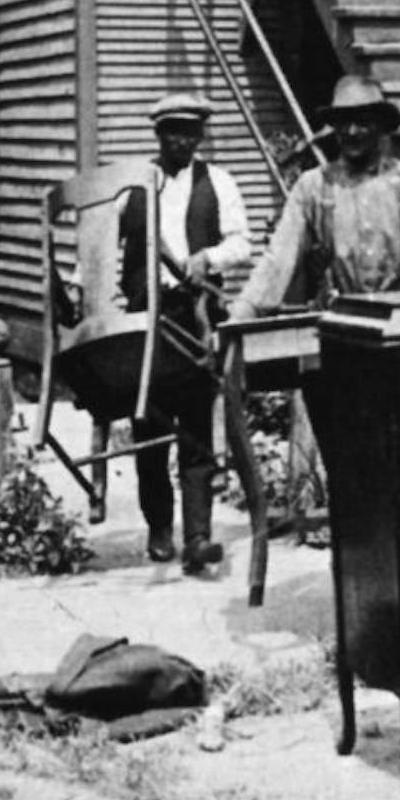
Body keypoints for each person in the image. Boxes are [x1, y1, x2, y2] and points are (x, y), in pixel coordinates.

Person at [226, 75, 400, 327]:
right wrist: (243, 310)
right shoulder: (313, 187)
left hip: (398, 322)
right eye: (344, 123)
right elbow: (278, 259)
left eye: (363, 122)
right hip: (339, 324)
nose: (352, 132)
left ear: (381, 126)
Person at [118, 91, 252, 572]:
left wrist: (208, 259)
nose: (180, 140)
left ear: (200, 135)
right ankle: (159, 527)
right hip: (144, 320)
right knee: (149, 424)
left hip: (194, 317)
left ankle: (198, 536)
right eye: (171, 131)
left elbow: (242, 244)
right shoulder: (134, 184)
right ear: (158, 134)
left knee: (196, 425)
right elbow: (97, 250)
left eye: (189, 132)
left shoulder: (219, 182)